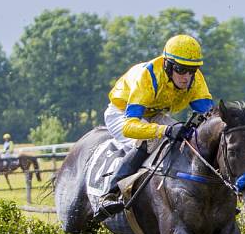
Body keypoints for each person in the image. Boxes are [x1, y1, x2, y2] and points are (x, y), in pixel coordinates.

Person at [92, 34, 214, 222]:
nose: (187, 77)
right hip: (123, 114)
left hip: (155, 114)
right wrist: (164, 130)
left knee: (188, 138)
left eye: (192, 70)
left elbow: (210, 115)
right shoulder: (148, 77)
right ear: (168, 65)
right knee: (148, 141)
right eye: (181, 70)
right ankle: (110, 194)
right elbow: (130, 126)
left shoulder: (194, 79)